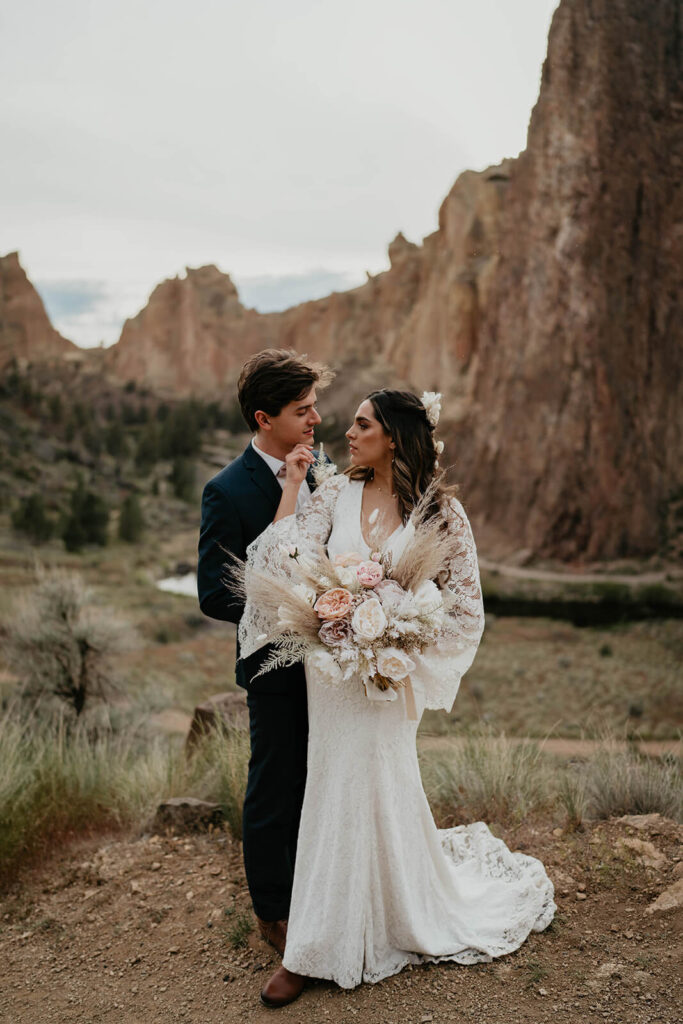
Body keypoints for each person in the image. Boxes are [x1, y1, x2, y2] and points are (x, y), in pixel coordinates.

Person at [238, 389, 556, 1008]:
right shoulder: (334, 492)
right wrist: (294, 486)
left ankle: (393, 917)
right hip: (330, 674)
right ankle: (310, 947)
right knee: (330, 788)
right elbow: (287, 557)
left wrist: (403, 644)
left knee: (379, 783)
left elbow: (465, 610)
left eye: (362, 424)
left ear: (393, 436)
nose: (347, 433)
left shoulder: (440, 514)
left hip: (388, 675)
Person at [197, 348, 333, 957]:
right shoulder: (226, 490)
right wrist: (288, 610)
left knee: (325, 778)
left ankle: (323, 889)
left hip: (337, 662)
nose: (315, 420)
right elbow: (211, 592)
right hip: (273, 663)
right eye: (302, 410)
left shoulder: (325, 470)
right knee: (273, 785)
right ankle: (272, 912)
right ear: (263, 418)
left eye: (315, 407)